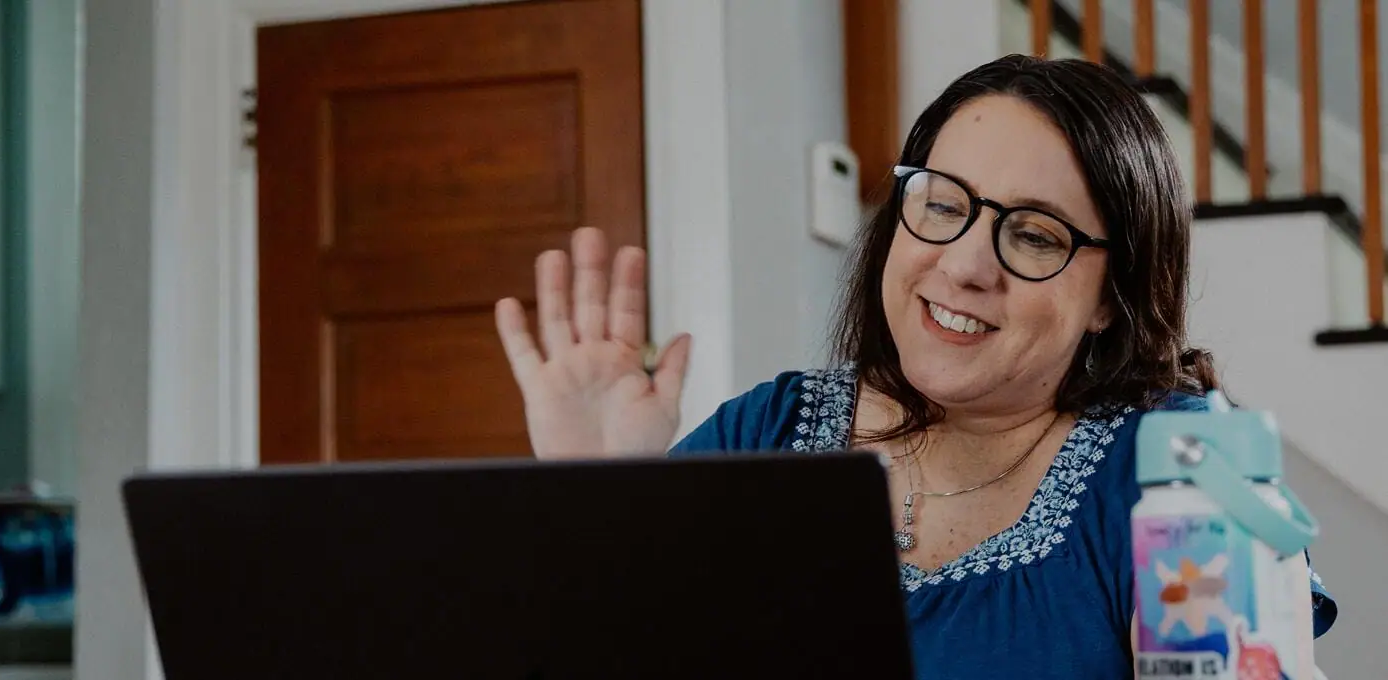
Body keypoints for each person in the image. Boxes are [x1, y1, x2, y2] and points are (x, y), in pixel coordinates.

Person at [493, 54, 1338, 678]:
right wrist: (593, 498)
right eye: (942, 203)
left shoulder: (1192, 476)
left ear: (1112, 297)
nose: (966, 263)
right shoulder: (767, 432)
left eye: (1036, 235)